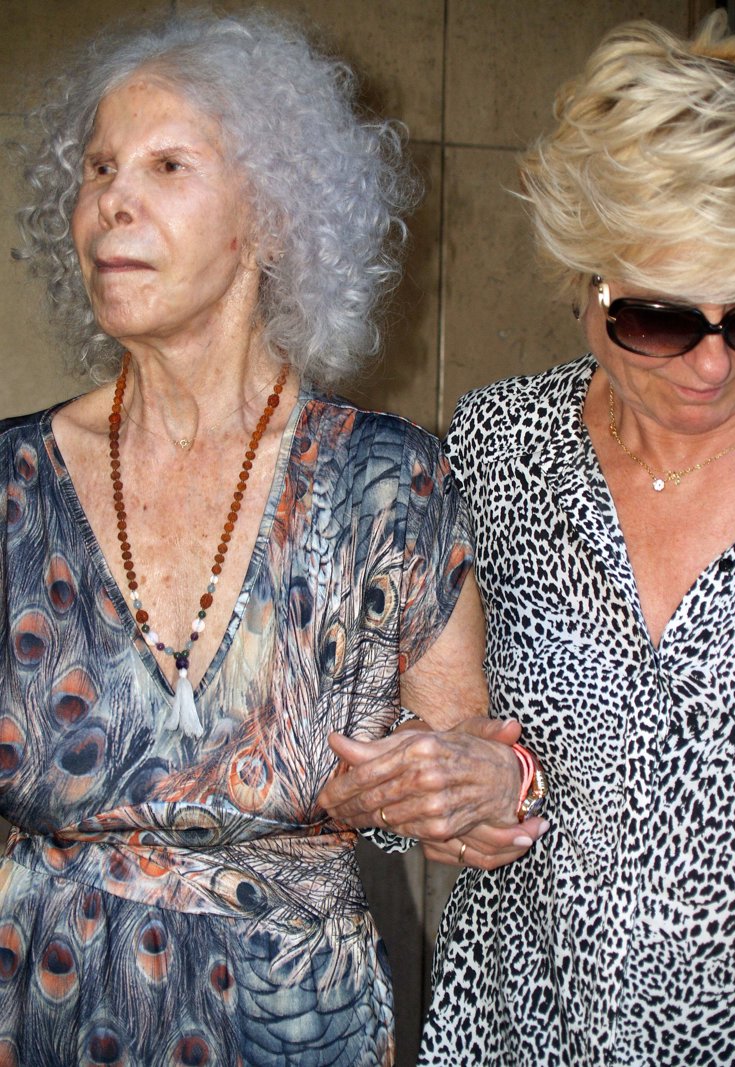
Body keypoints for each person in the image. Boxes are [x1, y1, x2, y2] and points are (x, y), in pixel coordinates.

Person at [0, 11, 544, 1065]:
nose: (112, 198)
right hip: (47, 1007)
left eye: (166, 165)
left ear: (272, 218)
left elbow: (470, 780)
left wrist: (470, 784)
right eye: (100, 167)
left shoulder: (389, 481)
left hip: (296, 1023)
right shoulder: (14, 484)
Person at [323, 12, 735, 1066]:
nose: (711, 365)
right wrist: (450, 796)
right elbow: (384, 735)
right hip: (518, 1031)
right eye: (660, 319)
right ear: (584, 284)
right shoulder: (495, 446)